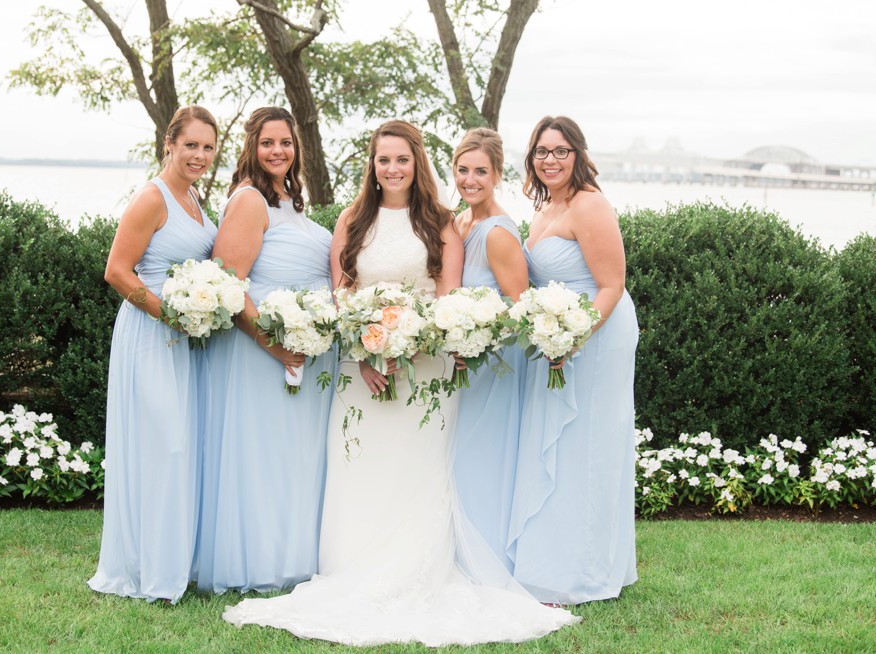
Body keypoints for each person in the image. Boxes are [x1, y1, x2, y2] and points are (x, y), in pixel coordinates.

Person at [222, 120, 578, 647]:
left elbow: (447, 295)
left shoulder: (440, 223)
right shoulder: (352, 218)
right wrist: (367, 347)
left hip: (425, 370)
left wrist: (405, 345)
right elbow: (342, 292)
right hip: (356, 370)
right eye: (383, 159)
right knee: (359, 466)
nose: (392, 168)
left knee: (416, 470)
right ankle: (349, 567)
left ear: (418, 164)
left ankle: (419, 571)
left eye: (402, 160)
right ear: (372, 164)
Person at [195, 107, 334, 593]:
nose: (278, 151)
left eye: (286, 143)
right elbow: (229, 290)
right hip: (260, 355)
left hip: (303, 352)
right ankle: (256, 563)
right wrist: (276, 347)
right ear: (252, 147)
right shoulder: (250, 200)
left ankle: (293, 555)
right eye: (268, 142)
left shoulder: (292, 201)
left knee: (292, 457)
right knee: (262, 456)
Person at [87, 105, 220, 603]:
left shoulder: (195, 201)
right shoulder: (152, 197)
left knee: (182, 447)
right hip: (150, 334)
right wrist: (173, 316)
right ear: (169, 144)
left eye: (208, 147)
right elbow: (118, 272)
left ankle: (175, 563)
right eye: (191, 145)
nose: (200, 155)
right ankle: (148, 572)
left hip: (186, 339)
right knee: (162, 445)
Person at [510, 115, 639, 605]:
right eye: (542, 152)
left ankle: (583, 572)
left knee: (587, 444)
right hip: (557, 334)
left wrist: (575, 336)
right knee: (559, 444)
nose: (550, 160)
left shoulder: (589, 205)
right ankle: (552, 559)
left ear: (578, 155)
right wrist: (552, 334)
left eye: (560, 151)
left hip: (596, 335)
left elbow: (612, 285)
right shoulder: (544, 207)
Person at [449, 128, 529, 572]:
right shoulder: (460, 222)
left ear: (497, 174)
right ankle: (460, 550)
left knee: (482, 456)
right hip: (461, 359)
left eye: (480, 171)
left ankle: (489, 558)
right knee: (459, 457)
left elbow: (519, 308)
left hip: (494, 363)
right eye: (463, 170)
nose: (470, 179)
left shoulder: (498, 232)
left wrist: (475, 342)